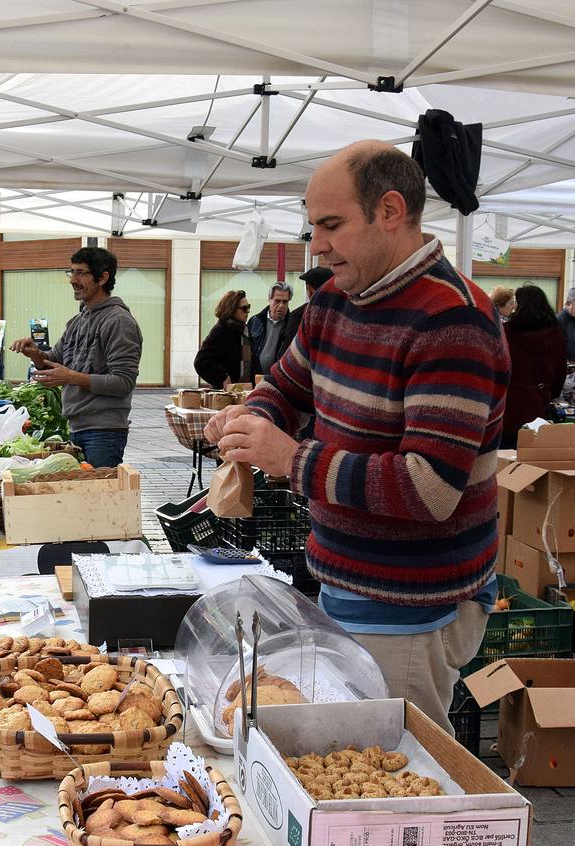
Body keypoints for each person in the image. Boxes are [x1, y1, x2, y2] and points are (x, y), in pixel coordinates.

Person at [205, 141, 510, 733]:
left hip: (413, 606)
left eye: (331, 224)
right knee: (349, 757)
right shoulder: (333, 302)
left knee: (388, 780)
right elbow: (288, 386)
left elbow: (428, 489)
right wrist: (253, 418)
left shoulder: (453, 322)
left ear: (390, 211)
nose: (315, 243)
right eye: (312, 225)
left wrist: (291, 458)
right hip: (346, 581)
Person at [10, 246, 143, 467]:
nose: (73, 279)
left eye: (81, 273)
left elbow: (123, 382)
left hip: (104, 432)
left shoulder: (118, 321)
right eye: (71, 272)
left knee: (99, 498)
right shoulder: (78, 321)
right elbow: (54, 361)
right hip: (77, 427)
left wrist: (71, 377)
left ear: (103, 278)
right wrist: (35, 355)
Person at [501, 285, 567, 449]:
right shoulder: (557, 335)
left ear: (518, 306)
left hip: (508, 409)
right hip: (539, 405)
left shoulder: (505, 333)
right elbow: (560, 374)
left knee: (505, 462)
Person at [194, 290, 257, 389]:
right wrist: (223, 377)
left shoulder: (244, 330)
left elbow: (253, 361)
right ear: (231, 309)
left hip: (245, 392)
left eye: (248, 307)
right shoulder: (221, 330)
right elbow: (201, 362)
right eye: (244, 308)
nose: (248, 312)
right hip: (225, 396)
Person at [248, 281, 305, 374]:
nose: (281, 305)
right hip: (255, 376)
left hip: (278, 377)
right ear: (269, 300)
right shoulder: (255, 321)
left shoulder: (292, 325)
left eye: (285, 302)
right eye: (277, 301)